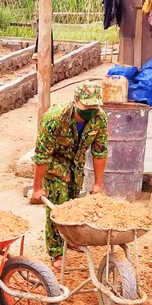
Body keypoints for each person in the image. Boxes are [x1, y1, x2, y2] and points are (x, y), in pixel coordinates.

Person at [29, 83, 108, 268]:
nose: (90, 111)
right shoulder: (54, 118)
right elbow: (42, 155)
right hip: (55, 164)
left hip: (76, 164)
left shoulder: (100, 119)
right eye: (86, 107)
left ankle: (71, 240)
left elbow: (100, 151)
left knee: (73, 203)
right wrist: (37, 187)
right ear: (75, 103)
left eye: (94, 107)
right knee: (58, 206)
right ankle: (56, 251)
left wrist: (98, 184)